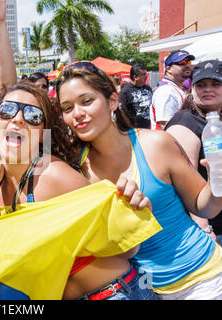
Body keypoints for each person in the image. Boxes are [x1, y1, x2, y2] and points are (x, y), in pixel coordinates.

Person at [55, 63, 222, 300]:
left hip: (204, 281)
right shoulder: (74, 168)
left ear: (112, 101)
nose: (77, 113)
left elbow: (205, 206)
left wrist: (217, 180)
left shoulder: (156, 144)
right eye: (67, 107)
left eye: (87, 101)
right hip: (141, 290)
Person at [0, 81, 159, 300]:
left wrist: (134, 209)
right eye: (6, 110)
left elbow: (127, 249)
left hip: (114, 293)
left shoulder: (52, 176)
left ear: (42, 133)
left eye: (33, 116)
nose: (17, 118)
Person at [166, 60, 222, 246]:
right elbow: (183, 184)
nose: (208, 89)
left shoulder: (216, 120)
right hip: (209, 227)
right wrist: (204, 229)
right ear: (191, 90)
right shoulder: (185, 122)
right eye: (201, 85)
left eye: (216, 84)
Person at [150, 50, 195, 130]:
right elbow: (166, 126)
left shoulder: (176, 88)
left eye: (189, 62)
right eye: (182, 62)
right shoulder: (166, 91)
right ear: (169, 69)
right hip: (167, 141)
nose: (188, 65)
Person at [119, 64, 152, 129]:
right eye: (143, 74)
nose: (146, 76)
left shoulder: (148, 88)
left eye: (146, 74)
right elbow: (121, 113)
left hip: (149, 128)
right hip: (134, 131)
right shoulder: (125, 92)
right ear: (135, 77)